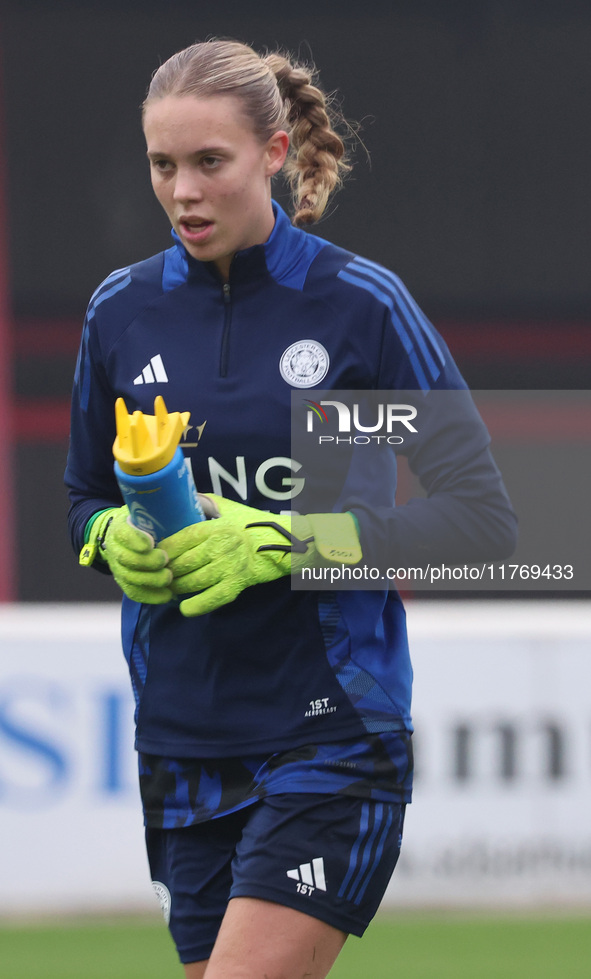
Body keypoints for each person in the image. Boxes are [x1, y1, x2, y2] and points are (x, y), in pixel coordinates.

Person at [65, 39, 517, 979]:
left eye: (208, 163)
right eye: (162, 165)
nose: (182, 191)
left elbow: (482, 519)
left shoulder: (359, 308)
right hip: (181, 738)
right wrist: (107, 536)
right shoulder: (121, 313)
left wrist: (287, 539)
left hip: (330, 730)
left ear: (274, 155)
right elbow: (84, 495)